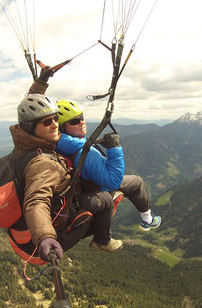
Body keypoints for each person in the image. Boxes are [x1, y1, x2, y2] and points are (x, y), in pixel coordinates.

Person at [10, 81, 122, 263]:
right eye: (47, 122)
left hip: (30, 225)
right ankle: (102, 240)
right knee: (107, 198)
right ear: (31, 127)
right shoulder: (42, 162)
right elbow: (36, 200)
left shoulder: (24, 142)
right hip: (58, 226)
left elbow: (28, 110)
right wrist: (45, 236)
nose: (55, 125)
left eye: (56, 118)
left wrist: (41, 82)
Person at [56, 99, 162, 231]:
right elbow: (113, 182)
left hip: (87, 185)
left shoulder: (63, 144)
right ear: (61, 127)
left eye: (82, 117)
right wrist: (114, 148)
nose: (82, 122)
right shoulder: (84, 153)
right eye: (74, 121)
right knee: (137, 182)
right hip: (100, 187)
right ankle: (148, 220)